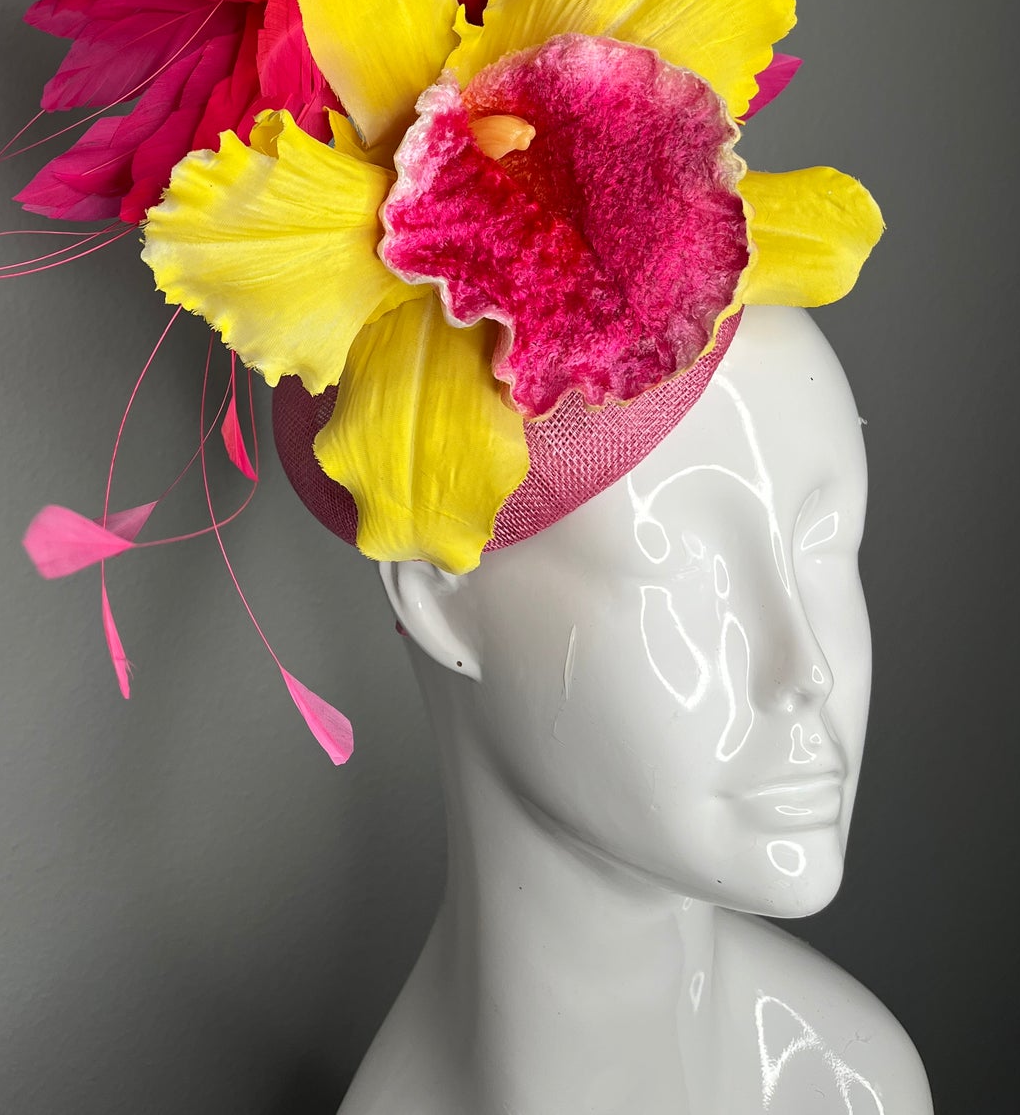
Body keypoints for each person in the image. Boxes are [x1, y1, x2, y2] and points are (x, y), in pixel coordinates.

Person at [326, 307, 932, 1114]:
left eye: (822, 542)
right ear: (442, 597)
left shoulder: (851, 1086)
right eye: (679, 564)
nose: (806, 669)